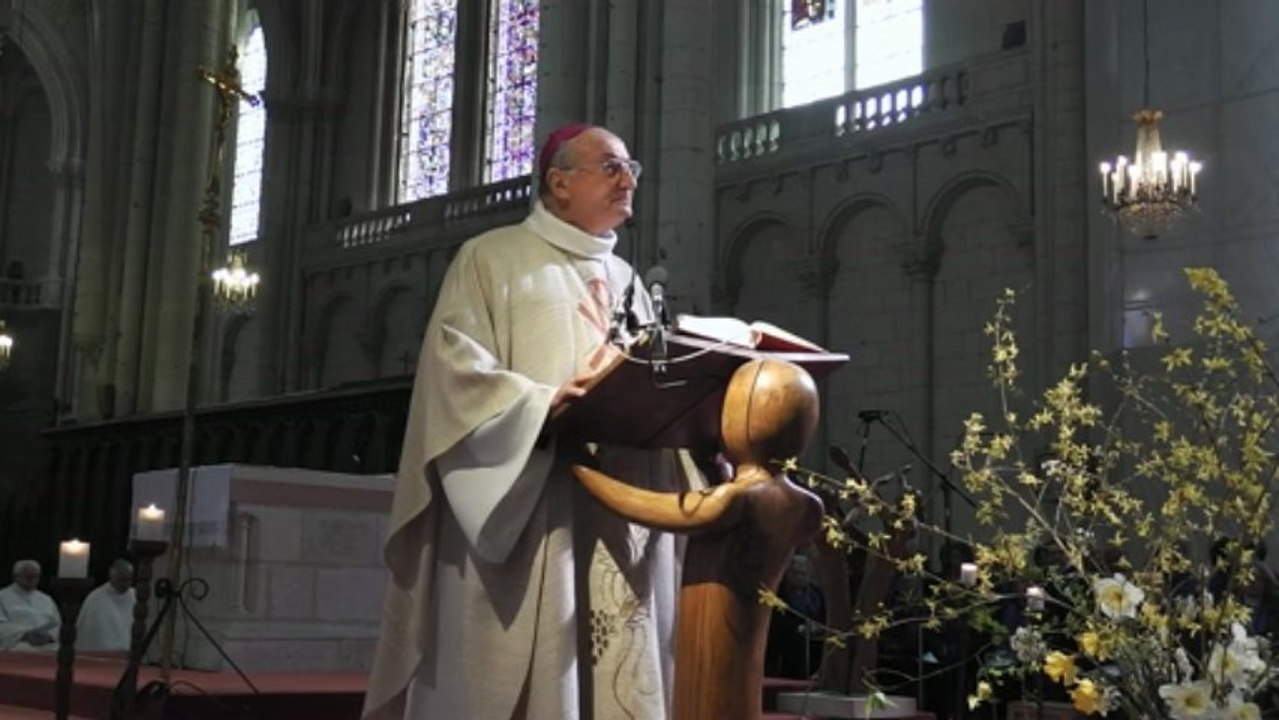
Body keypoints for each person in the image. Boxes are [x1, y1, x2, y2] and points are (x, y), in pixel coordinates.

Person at [364, 124, 707, 719]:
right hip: (538, 498)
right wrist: (541, 404)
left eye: (632, 168)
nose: (628, 179)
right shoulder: (492, 257)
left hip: (626, 495)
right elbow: (455, 370)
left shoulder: (627, 279)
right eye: (611, 166)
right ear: (559, 182)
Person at [76, 558, 135, 653]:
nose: (125, 584)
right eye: (121, 580)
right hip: (103, 654)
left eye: (128, 580)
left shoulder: (136, 596)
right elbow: (87, 633)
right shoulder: (95, 598)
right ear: (111, 577)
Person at [0, 559, 60, 651]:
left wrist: (49, 636)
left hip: (46, 642)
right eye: (27, 576)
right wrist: (24, 635)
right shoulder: (2, 597)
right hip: (16, 643)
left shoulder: (46, 599)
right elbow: (2, 625)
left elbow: (57, 624)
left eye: (35, 576)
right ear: (15, 577)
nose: (31, 580)